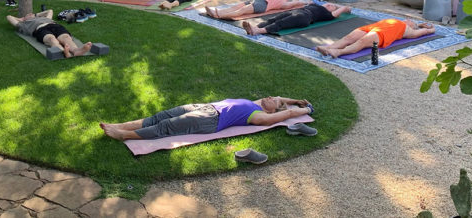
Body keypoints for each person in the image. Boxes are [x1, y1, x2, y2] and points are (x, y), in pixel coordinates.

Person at [100, 96, 313, 141]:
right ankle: (121, 125)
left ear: (272, 111)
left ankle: (124, 135)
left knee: (167, 126)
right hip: (206, 107)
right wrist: (295, 99)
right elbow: (281, 101)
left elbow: (288, 113)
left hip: (211, 120)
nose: (270, 97)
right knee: (161, 115)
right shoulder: (256, 103)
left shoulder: (260, 116)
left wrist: (305, 110)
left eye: (273, 101)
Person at [316, 19, 435, 58]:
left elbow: (421, 32)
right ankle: (328, 48)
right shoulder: (400, 21)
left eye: (412, 22)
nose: (409, 20)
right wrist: (419, 24)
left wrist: (430, 30)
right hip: (371, 27)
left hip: (382, 33)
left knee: (361, 42)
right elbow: (419, 26)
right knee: (349, 37)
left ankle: (338, 52)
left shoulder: (408, 30)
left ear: (412, 26)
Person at [6, 8, 92, 58]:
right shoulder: (24, 24)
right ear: (24, 18)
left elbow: (50, 11)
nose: (31, 13)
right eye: (28, 14)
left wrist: (36, 15)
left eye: (32, 13)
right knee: (52, 39)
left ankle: (76, 51)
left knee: (66, 38)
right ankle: (64, 52)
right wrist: (22, 19)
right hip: (40, 29)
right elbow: (9, 17)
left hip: (53, 25)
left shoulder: (46, 18)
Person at [243, 3, 351, 35]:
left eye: (332, 6)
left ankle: (258, 31)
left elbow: (342, 9)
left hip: (305, 17)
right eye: (328, 4)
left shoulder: (327, 14)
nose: (329, 5)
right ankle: (254, 27)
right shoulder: (314, 4)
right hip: (297, 11)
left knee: (281, 23)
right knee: (273, 19)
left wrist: (345, 8)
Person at [205, 0, 305, 20]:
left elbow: (295, 3)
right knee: (236, 7)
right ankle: (216, 12)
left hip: (262, 4)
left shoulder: (284, 3)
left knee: (242, 10)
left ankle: (218, 15)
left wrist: (306, 2)